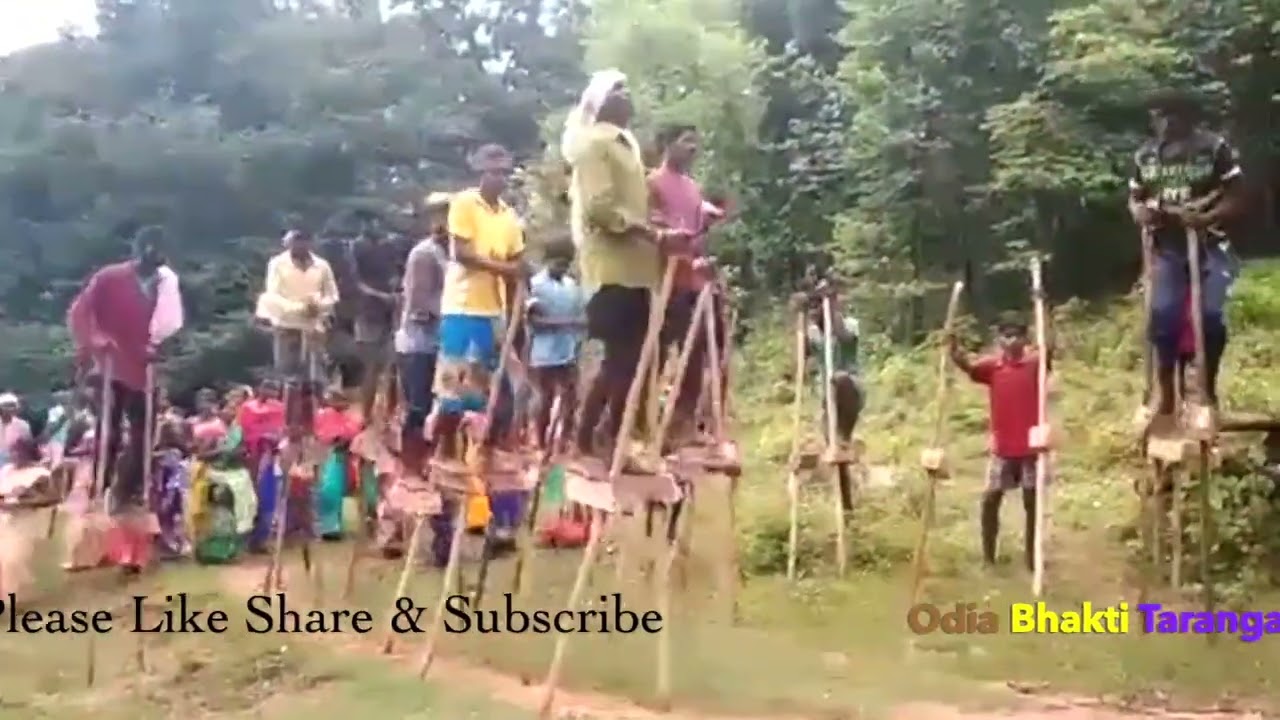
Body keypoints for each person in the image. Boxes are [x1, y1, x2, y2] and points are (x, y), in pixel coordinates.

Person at [561, 70, 691, 464]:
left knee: (634, 358)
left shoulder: (625, 145)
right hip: (612, 266)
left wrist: (657, 231)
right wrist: (651, 234)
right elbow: (601, 208)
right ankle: (598, 439)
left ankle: (606, 437)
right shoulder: (594, 145)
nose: (628, 95)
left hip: (637, 268)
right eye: (620, 90)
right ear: (602, 102)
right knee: (621, 358)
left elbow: (632, 207)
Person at [1127, 89, 1245, 423]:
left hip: (1210, 245)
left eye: (1171, 115)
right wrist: (1140, 213)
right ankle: (1166, 393)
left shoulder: (1214, 149)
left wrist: (1206, 217)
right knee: (1162, 317)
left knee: (1209, 317)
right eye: (1158, 116)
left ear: (1187, 117)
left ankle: (1206, 392)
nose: (1164, 123)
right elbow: (1135, 198)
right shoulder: (1146, 156)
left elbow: (1238, 196)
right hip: (1167, 248)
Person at [67, 226, 178, 517]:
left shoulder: (165, 285)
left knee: (145, 432)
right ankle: (99, 485)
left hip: (142, 367)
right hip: (109, 364)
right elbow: (80, 312)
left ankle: (126, 489)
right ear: (141, 251)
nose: (159, 258)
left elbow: (170, 323)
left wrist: (158, 346)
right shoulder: (109, 277)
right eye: (154, 251)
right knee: (110, 429)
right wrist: (95, 339)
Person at [948, 315, 1049, 570]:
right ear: (999, 340)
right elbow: (968, 366)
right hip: (1003, 448)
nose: (1010, 340)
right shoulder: (992, 367)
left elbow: (1051, 348)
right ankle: (988, 558)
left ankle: (1032, 559)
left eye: (1016, 335)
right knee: (991, 499)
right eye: (1005, 336)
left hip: (1030, 448)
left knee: (1032, 503)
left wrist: (1045, 312)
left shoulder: (1036, 364)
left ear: (1025, 339)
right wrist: (953, 347)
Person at [648, 124, 727, 446]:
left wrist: (702, 252)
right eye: (686, 142)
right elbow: (651, 224)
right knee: (657, 351)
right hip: (665, 280)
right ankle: (643, 419)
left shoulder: (692, 187)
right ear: (668, 144)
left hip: (693, 279)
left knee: (697, 353)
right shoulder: (652, 183)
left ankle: (682, 425)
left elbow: (696, 228)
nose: (692, 148)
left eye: (696, 142)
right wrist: (672, 237)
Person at [792, 280, 864, 513]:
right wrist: (801, 318)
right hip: (827, 401)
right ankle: (846, 508)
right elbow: (801, 356)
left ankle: (845, 436)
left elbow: (844, 338)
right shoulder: (814, 332)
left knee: (839, 378)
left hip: (850, 392)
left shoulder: (850, 324)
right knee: (836, 452)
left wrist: (830, 310)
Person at [256, 226, 340, 426]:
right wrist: (298, 308)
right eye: (293, 242)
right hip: (288, 324)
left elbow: (332, 294)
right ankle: (290, 425)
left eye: (303, 242)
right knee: (291, 376)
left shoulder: (322, 266)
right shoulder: (277, 264)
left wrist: (318, 306)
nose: (298, 246)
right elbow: (273, 294)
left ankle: (315, 423)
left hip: (314, 324)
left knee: (315, 376)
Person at [397, 194, 450, 460]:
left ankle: (429, 461)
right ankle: (410, 464)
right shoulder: (424, 254)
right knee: (419, 406)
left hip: (444, 342)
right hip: (420, 342)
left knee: (443, 406)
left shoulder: (451, 253)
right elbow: (421, 299)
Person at [527, 239, 585, 450]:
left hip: (568, 349)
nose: (561, 268)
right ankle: (540, 439)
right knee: (545, 397)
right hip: (543, 353)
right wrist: (567, 323)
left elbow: (580, 316)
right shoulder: (535, 285)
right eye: (558, 263)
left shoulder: (572, 286)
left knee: (572, 396)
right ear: (547, 261)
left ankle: (565, 439)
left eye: (566, 264)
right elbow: (534, 321)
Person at [349, 220, 404, 421]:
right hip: (368, 313)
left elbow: (397, 273)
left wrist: (395, 287)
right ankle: (367, 415)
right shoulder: (357, 247)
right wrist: (380, 295)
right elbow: (356, 283)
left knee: (394, 366)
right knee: (371, 367)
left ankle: (390, 414)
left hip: (391, 312)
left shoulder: (389, 247)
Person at [0, 393, 32, 467]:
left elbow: (28, 446)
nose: (10, 409)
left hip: (15, 464)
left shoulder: (22, 426)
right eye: (6, 406)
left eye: (12, 406)